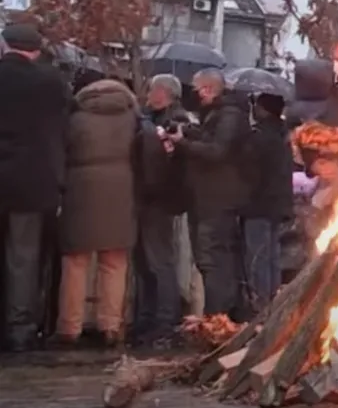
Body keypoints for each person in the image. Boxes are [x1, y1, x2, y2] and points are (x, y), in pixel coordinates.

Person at [55, 77, 141, 347]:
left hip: (81, 188)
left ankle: (70, 327)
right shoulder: (131, 118)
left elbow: (62, 150)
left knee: (75, 262)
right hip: (121, 188)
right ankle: (111, 326)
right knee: (114, 262)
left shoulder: (75, 118)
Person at [0, 23, 70, 351]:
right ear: (37, 50)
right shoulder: (52, 82)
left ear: (5, 45)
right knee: (23, 258)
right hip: (32, 182)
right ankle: (20, 330)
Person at [167, 68, 250, 318]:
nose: (193, 94)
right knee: (207, 258)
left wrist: (183, 143)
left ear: (207, 89)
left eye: (195, 88)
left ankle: (218, 316)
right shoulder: (217, 114)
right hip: (205, 197)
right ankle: (218, 314)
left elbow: (217, 151)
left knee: (213, 258)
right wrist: (187, 132)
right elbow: (209, 139)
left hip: (217, 199)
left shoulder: (230, 115)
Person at [132, 74, 192, 345]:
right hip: (150, 198)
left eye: (151, 90)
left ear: (163, 93)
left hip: (159, 200)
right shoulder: (151, 118)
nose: (147, 95)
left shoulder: (173, 122)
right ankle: (147, 317)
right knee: (145, 262)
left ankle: (165, 319)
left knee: (159, 261)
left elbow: (168, 164)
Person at [241, 93, 294, 317]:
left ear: (263, 109)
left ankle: (261, 308)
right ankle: (273, 304)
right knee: (272, 257)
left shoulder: (259, 137)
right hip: (278, 204)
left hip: (258, 205)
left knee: (258, 258)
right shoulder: (284, 135)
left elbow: (248, 170)